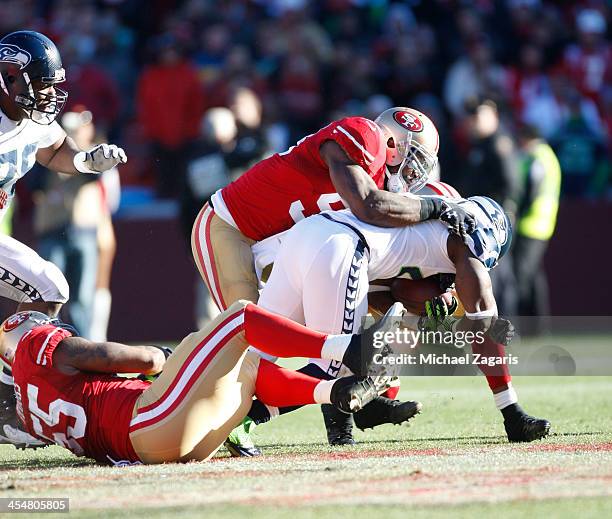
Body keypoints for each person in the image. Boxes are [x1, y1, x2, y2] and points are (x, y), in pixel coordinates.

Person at [191, 106, 475, 451]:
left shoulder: (383, 186)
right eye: (413, 157)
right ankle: (213, 413)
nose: (414, 172)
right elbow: (368, 205)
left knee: (346, 326)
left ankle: (355, 408)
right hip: (234, 228)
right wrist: (437, 207)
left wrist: (414, 303)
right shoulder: (362, 136)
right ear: (394, 143)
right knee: (248, 342)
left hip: (284, 245)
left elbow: (357, 275)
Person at [249, 195, 550, 443]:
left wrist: (419, 308)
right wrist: (511, 411)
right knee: (335, 365)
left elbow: (391, 290)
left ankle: (215, 401)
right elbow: (485, 333)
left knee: (254, 351)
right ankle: (247, 417)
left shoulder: (426, 218)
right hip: (339, 246)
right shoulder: (469, 248)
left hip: (305, 236)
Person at [0, 301, 404, 465]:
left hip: (157, 445)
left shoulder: (28, 408)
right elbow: (143, 359)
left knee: (240, 364)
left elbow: (86, 397)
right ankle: (353, 349)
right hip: (151, 420)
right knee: (240, 319)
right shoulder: (41, 344)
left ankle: (335, 393)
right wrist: (160, 358)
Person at [0, 31, 126, 448]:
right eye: (43, 82)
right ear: (8, 78)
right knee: (48, 285)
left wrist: (86, 161)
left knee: (49, 288)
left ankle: (11, 400)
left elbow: (54, 150)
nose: (51, 93)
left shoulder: (33, 121)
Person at [514, 125, 561, 329]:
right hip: (542, 222)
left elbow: (532, 185)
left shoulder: (537, 156)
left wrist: (519, 211)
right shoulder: (548, 156)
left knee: (522, 275)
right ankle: (539, 325)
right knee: (534, 275)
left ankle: (524, 323)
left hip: (530, 222)